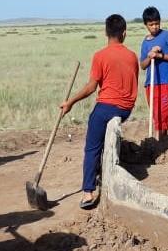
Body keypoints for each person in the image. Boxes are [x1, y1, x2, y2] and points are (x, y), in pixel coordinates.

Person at [59, 14, 139, 209]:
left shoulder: (100, 56)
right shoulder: (132, 56)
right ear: (124, 33)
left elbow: (91, 87)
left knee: (92, 147)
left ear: (105, 33)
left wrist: (71, 102)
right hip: (126, 109)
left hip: (106, 108)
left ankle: (88, 191)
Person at [138, 6, 168, 139]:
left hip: (167, 81)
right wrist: (150, 57)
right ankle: (158, 142)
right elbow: (143, 65)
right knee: (156, 115)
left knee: (164, 114)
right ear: (146, 25)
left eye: (157, 23)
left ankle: (161, 142)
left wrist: (160, 56)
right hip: (151, 83)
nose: (155, 27)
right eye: (151, 24)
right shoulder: (145, 42)